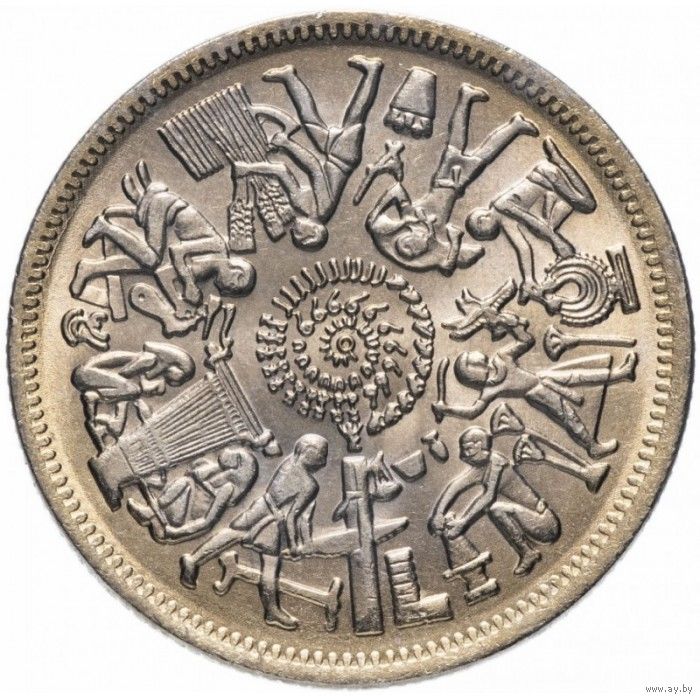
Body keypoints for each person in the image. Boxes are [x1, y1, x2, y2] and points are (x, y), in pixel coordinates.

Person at [358, 84, 539, 274]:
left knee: (457, 146)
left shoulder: (408, 216)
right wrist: (454, 240)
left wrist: (401, 221)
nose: (422, 242)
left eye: (413, 244)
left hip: (444, 182)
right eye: (421, 248)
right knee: (479, 158)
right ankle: (514, 125)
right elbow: (451, 263)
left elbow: (395, 191)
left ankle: (467, 98)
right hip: (455, 187)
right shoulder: (435, 239)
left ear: (406, 237)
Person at [179, 434, 329, 630]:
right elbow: (292, 516)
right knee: (270, 563)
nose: (324, 460)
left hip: (262, 505)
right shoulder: (310, 485)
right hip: (274, 521)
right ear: (307, 452)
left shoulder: (288, 463)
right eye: (322, 454)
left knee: (233, 533)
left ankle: (193, 560)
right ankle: (271, 611)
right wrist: (293, 545)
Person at [235, 55, 384, 250]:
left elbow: (281, 170)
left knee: (308, 118)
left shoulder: (300, 205)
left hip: (331, 156)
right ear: (314, 231)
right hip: (345, 157)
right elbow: (314, 167)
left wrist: (250, 168)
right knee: (356, 114)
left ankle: (289, 76)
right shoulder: (322, 210)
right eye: (299, 234)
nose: (293, 231)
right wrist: (287, 145)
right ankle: (373, 70)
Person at [432, 318, 637, 458]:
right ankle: (592, 447)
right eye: (472, 361)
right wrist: (447, 409)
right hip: (538, 393)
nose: (479, 357)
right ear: (472, 373)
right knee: (569, 416)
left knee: (582, 375)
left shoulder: (502, 357)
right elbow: (473, 412)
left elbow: (526, 340)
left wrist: (513, 326)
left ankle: (622, 374)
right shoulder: (491, 389)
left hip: (543, 378)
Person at [70, 161, 255, 313]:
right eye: (232, 288)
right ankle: (105, 226)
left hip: (164, 216)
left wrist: (178, 304)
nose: (224, 291)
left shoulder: (204, 271)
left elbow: (163, 274)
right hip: (167, 208)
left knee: (145, 265)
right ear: (237, 273)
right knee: (150, 259)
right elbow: (177, 250)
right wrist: (189, 284)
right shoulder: (218, 247)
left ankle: (90, 268)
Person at [466, 137, 596, 308]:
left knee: (587, 204)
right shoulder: (504, 219)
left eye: (481, 232)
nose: (488, 235)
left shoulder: (502, 206)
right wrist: (528, 279)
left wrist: (557, 241)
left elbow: (531, 221)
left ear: (482, 220)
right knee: (546, 227)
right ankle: (554, 199)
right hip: (547, 186)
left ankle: (559, 160)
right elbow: (523, 247)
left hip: (547, 175)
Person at [430, 426, 560, 576]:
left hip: (545, 524)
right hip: (531, 523)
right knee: (491, 507)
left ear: (480, 445)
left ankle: (527, 552)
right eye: (463, 449)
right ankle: (527, 552)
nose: (464, 454)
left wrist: (463, 523)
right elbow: (456, 486)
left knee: (494, 508)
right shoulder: (482, 467)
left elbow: (488, 496)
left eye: (468, 448)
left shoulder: (497, 462)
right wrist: (438, 513)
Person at [71, 342, 195, 451]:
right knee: (132, 390)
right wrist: (143, 385)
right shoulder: (149, 359)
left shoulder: (151, 364)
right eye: (181, 374)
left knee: (130, 393)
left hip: (94, 377)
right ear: (175, 365)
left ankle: (115, 423)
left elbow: (125, 382)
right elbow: (125, 373)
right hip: (86, 374)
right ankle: (96, 396)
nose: (178, 381)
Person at [126, 446, 259, 542]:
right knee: (186, 481)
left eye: (237, 458)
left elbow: (207, 522)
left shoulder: (227, 488)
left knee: (186, 482)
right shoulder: (215, 471)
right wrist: (212, 468)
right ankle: (151, 513)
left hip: (181, 519)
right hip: (173, 505)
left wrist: (177, 533)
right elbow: (194, 473)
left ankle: (151, 515)